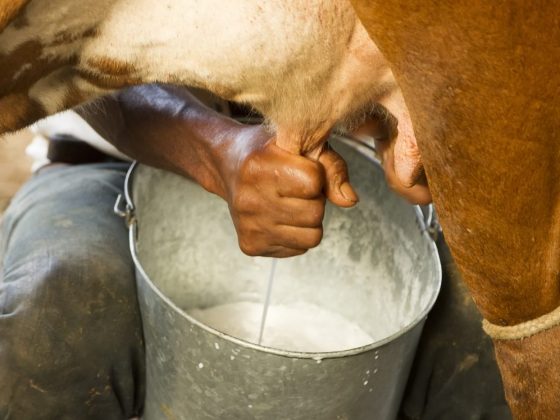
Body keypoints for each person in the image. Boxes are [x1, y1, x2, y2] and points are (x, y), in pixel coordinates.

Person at [0, 84, 510, 419]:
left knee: (489, 320)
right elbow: (73, 55)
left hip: (347, 169)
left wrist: (423, 129)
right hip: (108, 162)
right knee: (56, 307)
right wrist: (219, 152)